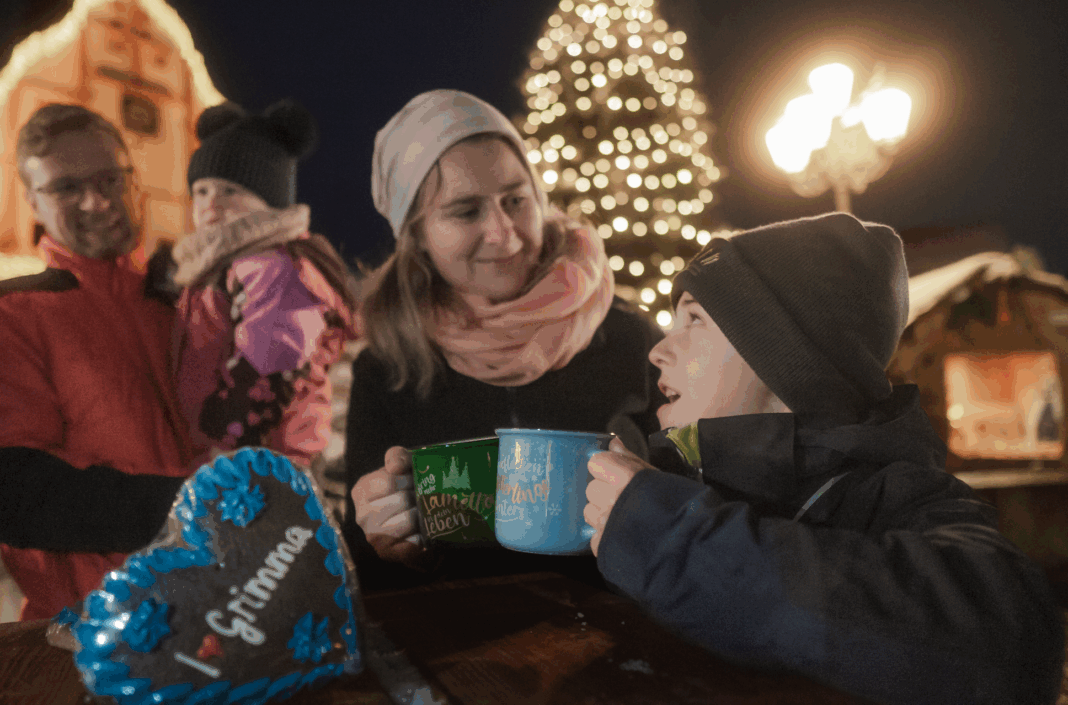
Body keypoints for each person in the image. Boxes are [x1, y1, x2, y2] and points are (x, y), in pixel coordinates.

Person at [582, 213, 1065, 705]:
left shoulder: (892, 497)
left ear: (783, 356)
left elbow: (1009, 641)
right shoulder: (667, 475)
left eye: (695, 320)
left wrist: (669, 538)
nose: (659, 350)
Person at [346, 89, 664, 589]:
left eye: (517, 200)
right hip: (466, 643)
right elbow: (371, 568)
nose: (503, 232)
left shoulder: (630, 338)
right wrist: (386, 537)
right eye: (466, 211)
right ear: (418, 236)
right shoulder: (387, 369)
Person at [0, 104, 196, 620]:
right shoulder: (15, 314)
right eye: (66, 188)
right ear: (33, 202)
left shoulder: (174, 303)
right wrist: (189, 506)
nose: (96, 200)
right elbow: (16, 490)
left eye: (109, 177)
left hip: (214, 605)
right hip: (92, 628)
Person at [171, 99, 359, 469]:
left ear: (268, 203)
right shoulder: (216, 268)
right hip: (226, 455)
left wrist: (229, 436)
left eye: (230, 191)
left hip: (263, 457)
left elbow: (272, 362)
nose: (212, 204)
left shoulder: (273, 267)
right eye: (202, 191)